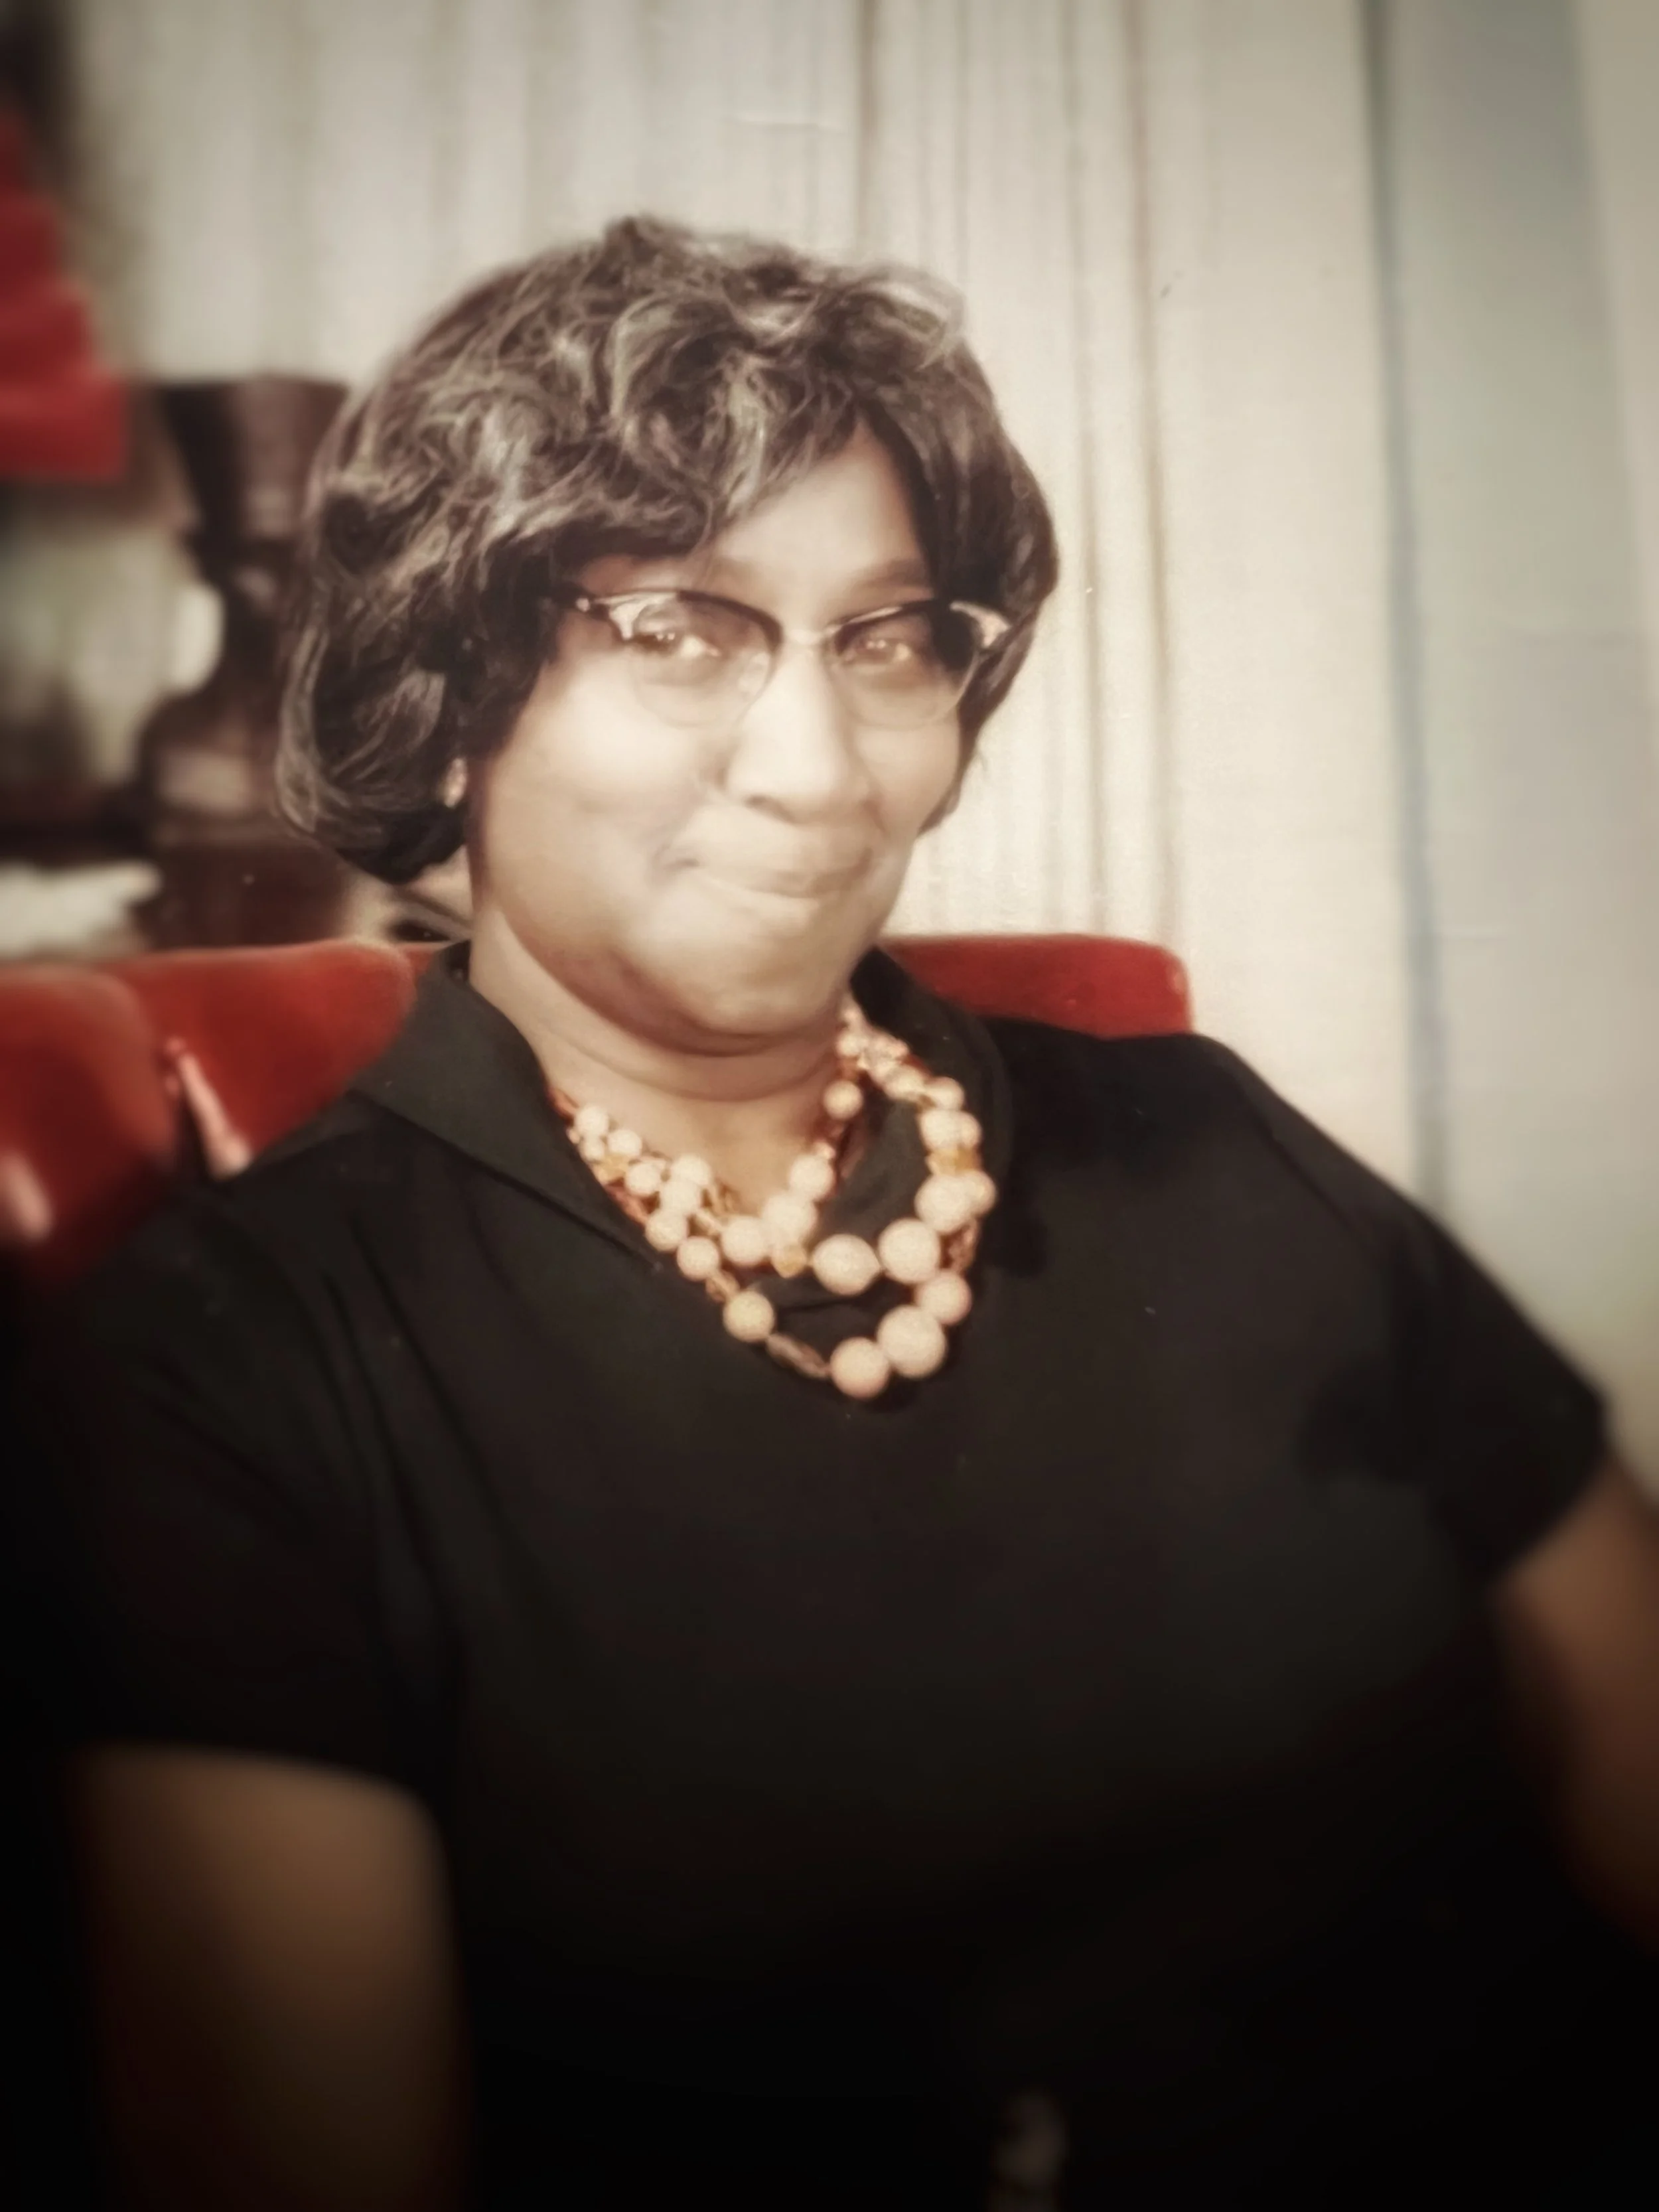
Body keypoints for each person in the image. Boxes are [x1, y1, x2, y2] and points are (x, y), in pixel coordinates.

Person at [8, 215, 1659, 2211]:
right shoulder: (230, 1374)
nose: (815, 769)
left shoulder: (1198, 1137)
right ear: (450, 696)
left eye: (886, 640)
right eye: (677, 626)